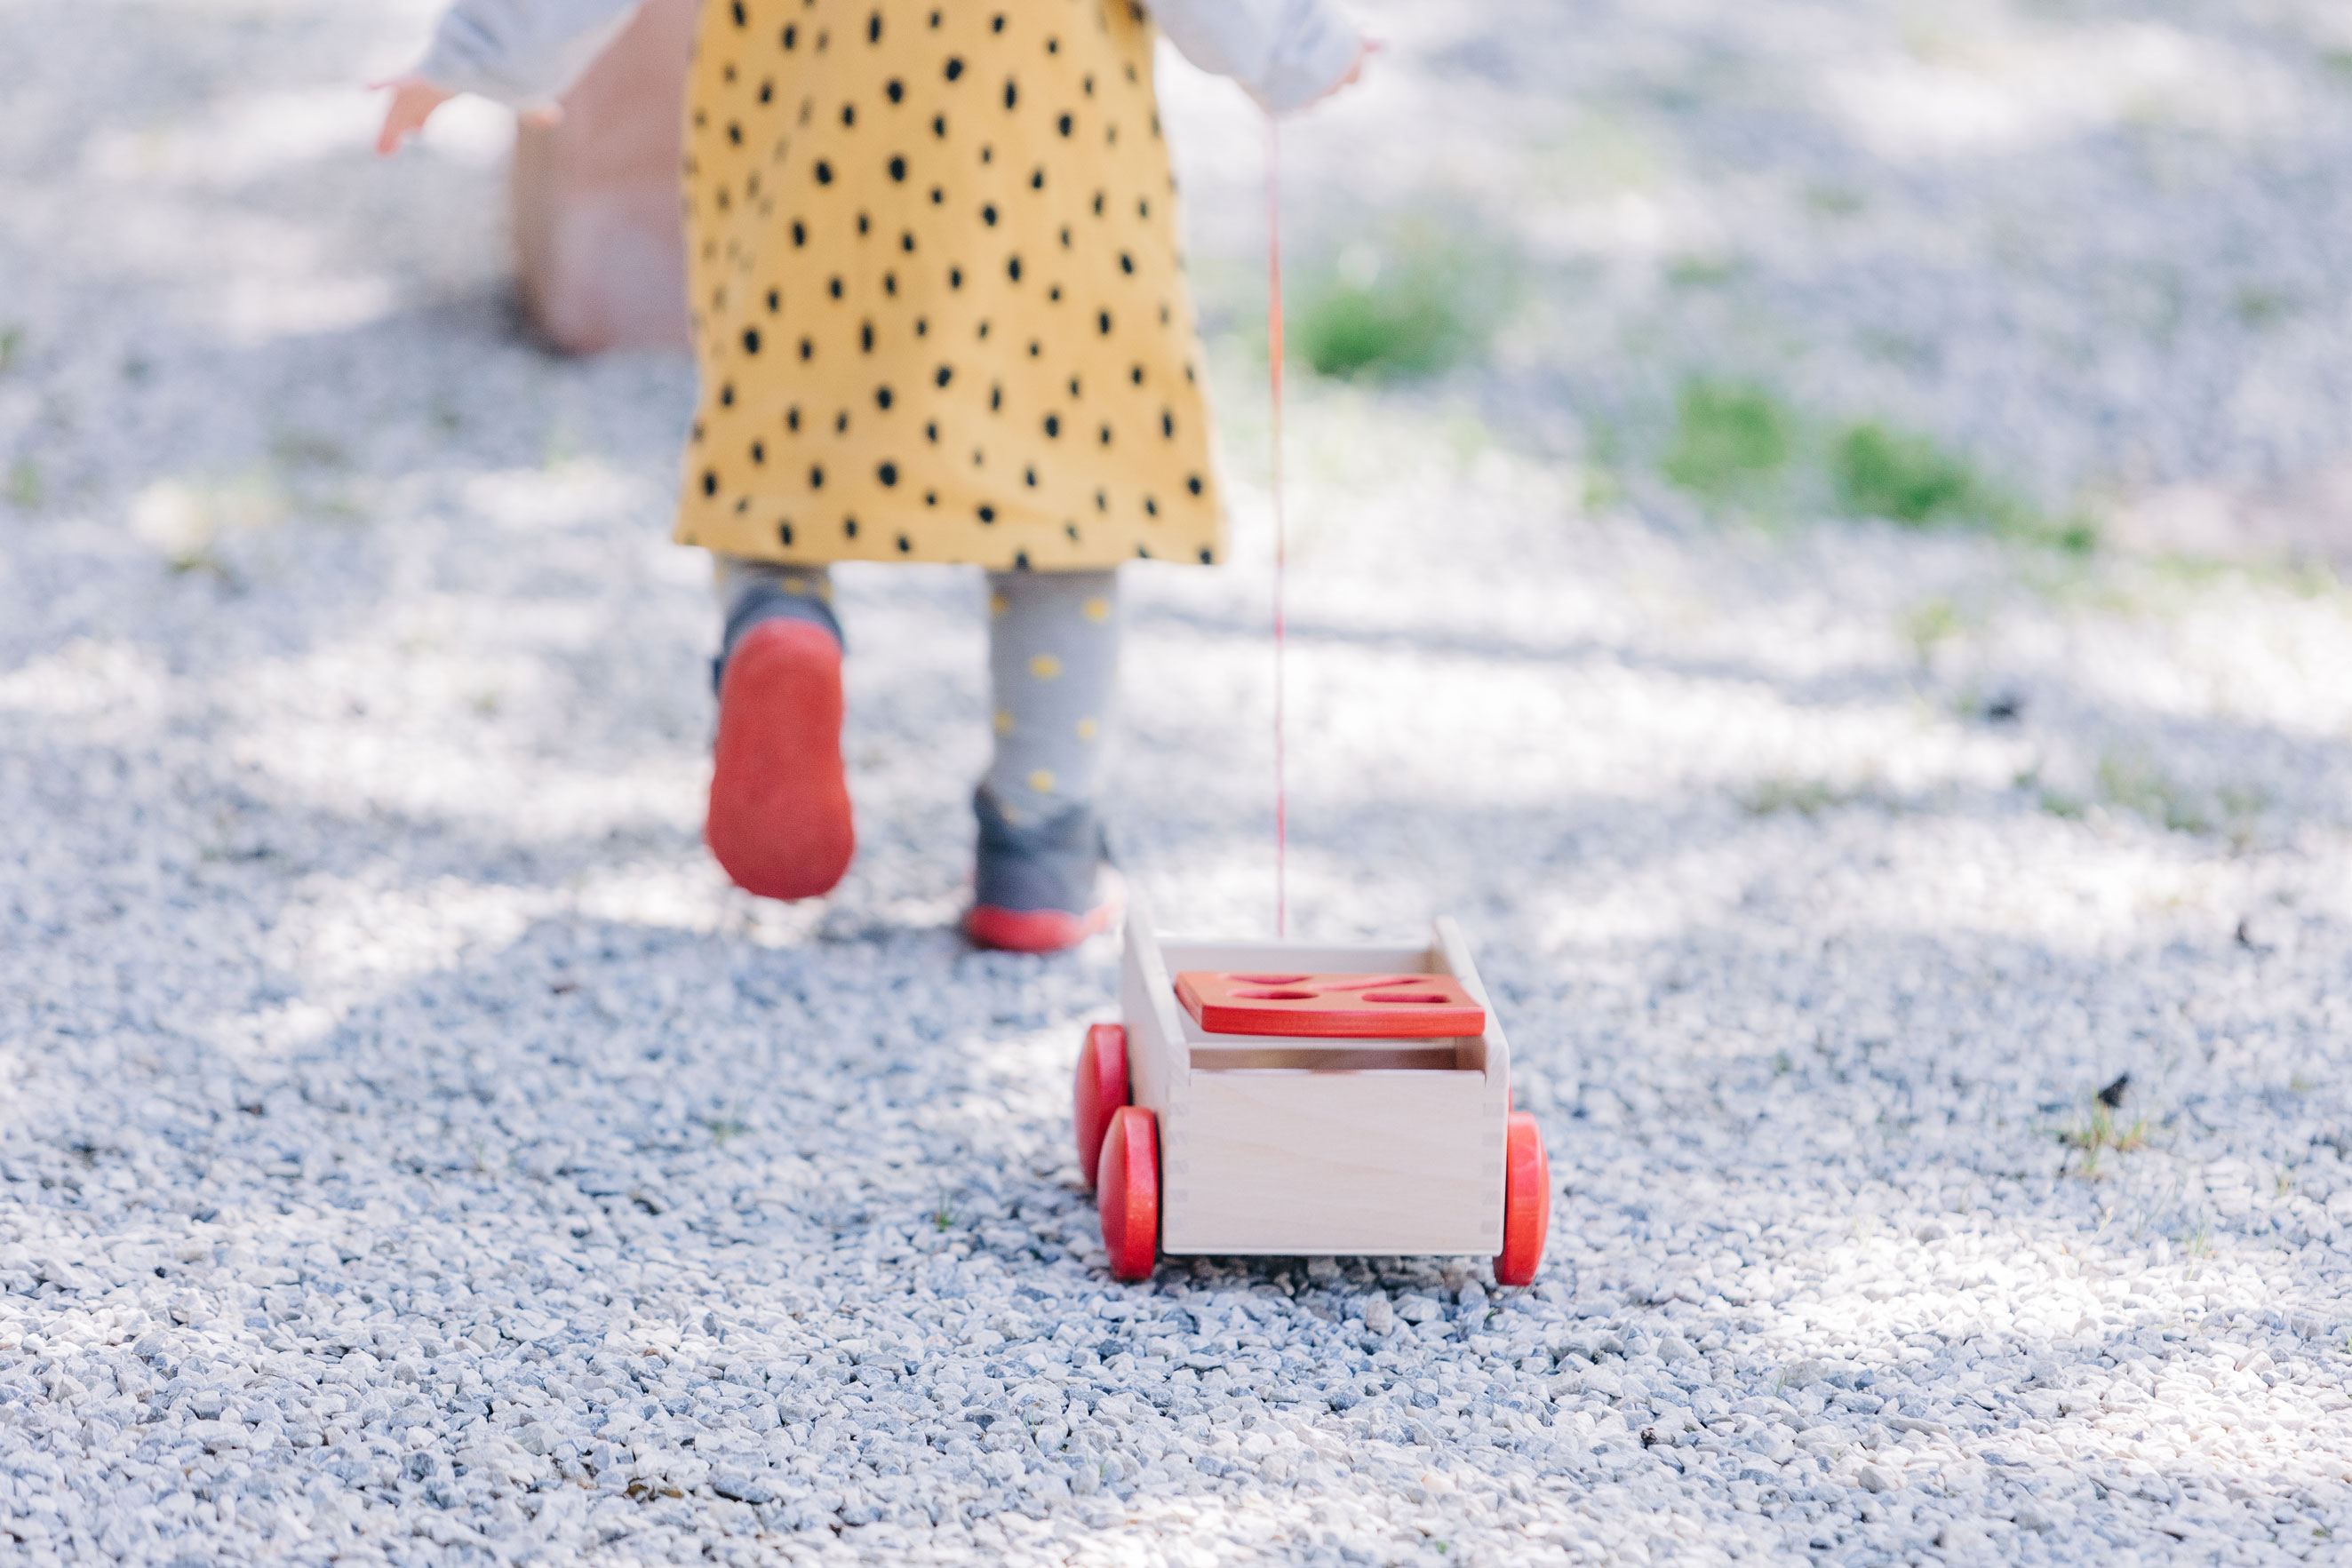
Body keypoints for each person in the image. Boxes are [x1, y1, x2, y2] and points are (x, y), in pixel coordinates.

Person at [379, 0, 1367, 951]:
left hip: (804, 161)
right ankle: (1039, 849)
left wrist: (479, 55)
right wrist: (1299, 46)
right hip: (1042, 173)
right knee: (1065, 486)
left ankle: (780, 615)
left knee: (775, 446)